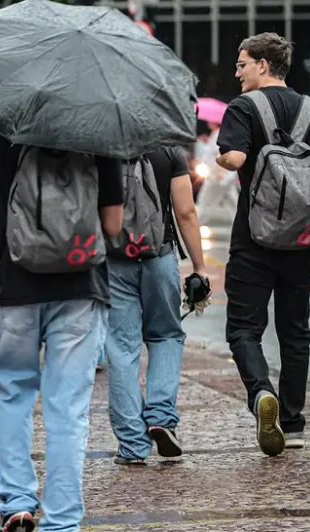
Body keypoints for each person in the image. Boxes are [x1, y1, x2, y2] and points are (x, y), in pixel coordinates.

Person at [0, 128, 123, 532]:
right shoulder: (98, 130)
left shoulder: (0, 129)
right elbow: (112, 225)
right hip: (81, 287)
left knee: (11, 395)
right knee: (68, 410)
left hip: (13, 288)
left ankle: (16, 503)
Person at [217, 32, 310, 456]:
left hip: (254, 240)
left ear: (263, 65)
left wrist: (222, 157)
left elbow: (237, 159)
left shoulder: (243, 107)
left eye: (242, 64)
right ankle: (293, 425)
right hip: (302, 239)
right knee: (295, 331)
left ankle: (261, 393)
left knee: (244, 327)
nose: (237, 72)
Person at [106, 147, 208, 465]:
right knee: (165, 336)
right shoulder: (169, 152)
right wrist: (199, 267)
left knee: (122, 349)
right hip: (159, 256)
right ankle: (161, 418)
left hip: (114, 260)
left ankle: (133, 445)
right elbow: (186, 213)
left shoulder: (103, 146)